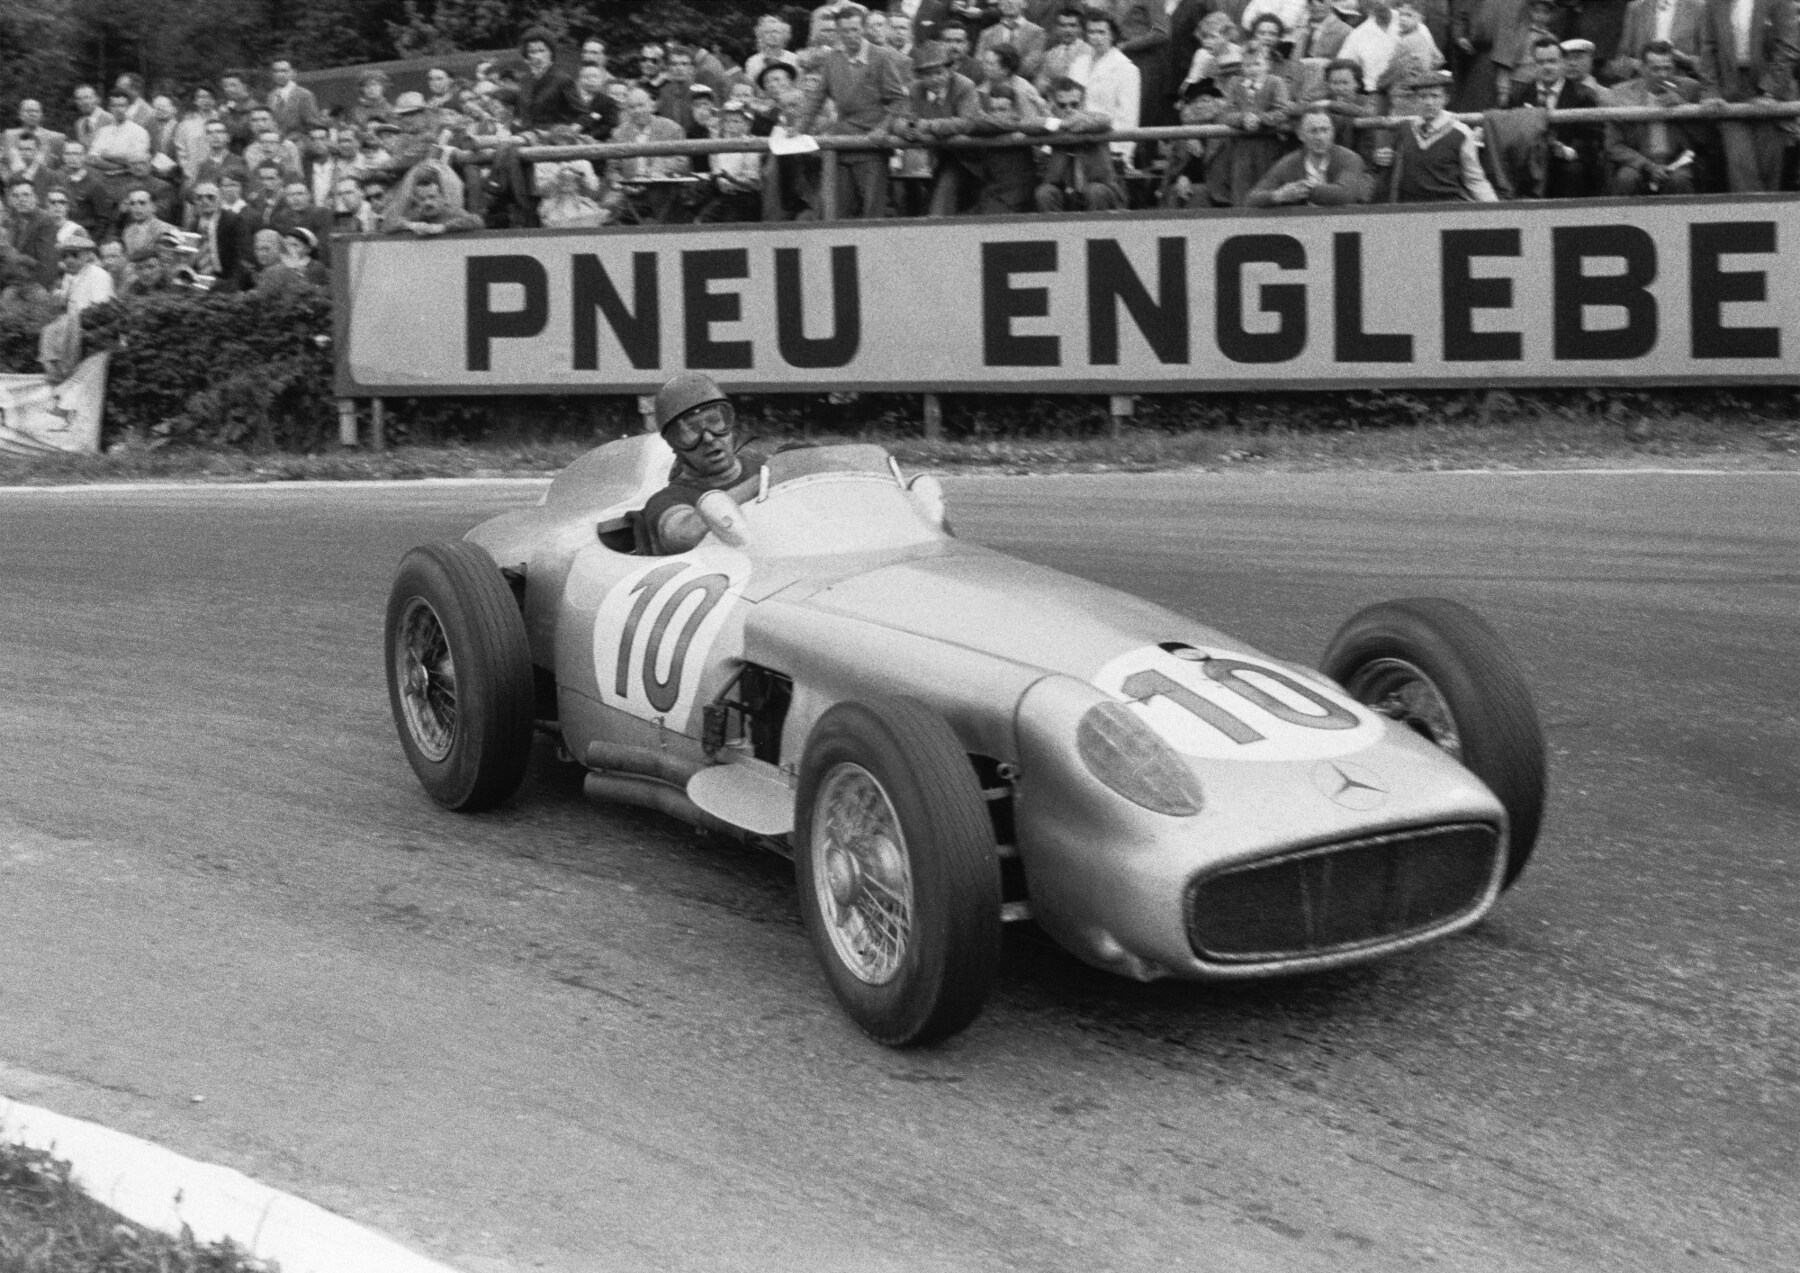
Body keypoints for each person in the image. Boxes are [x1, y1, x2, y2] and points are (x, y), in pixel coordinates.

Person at [796, 3, 911, 218]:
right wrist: (799, 128)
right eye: (845, 31)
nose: (851, 36)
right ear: (838, 32)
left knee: (873, 210)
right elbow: (817, 98)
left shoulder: (881, 57)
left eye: (855, 30)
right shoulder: (832, 59)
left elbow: (899, 100)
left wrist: (882, 129)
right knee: (836, 208)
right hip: (842, 142)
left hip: (870, 143)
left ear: (864, 29)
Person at [642, 373, 775, 556]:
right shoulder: (666, 501)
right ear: (675, 444)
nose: (708, 438)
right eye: (691, 430)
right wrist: (766, 481)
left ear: (729, 422)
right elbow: (683, 536)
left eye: (715, 422)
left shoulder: (768, 464)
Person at [1695, 0, 1798, 191]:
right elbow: (1708, 49)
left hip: (1772, 91)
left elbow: (1788, 48)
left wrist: (1769, 90)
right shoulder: (1713, 3)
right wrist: (1711, 92)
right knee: (1740, 164)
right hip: (1730, 93)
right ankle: (1750, 217)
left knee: (1769, 170)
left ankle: (1766, 217)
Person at [1385, 69, 1500, 198]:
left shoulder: (1460, 134)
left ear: (1446, 99)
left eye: (1435, 96)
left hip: (1448, 208)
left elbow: (1474, 179)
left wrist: (1496, 211)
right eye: (1422, 96)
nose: (1428, 102)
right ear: (1415, 100)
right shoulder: (1405, 129)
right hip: (1410, 209)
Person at [1606, 40, 1703, 190]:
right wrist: (1648, 166)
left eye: (1667, 68)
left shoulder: (1691, 89)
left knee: (1681, 179)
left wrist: (1684, 107)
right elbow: (1613, 146)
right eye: (1655, 69)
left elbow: (1705, 139)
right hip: (1639, 162)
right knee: (1627, 178)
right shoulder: (1620, 93)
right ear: (1643, 68)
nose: (1663, 74)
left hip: (1679, 161)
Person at [1524, 36, 1604, 195]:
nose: (1547, 67)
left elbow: (1593, 140)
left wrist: (1567, 150)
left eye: (1552, 61)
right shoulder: (1521, 95)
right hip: (1530, 161)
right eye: (1541, 62)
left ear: (1562, 63)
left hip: (1566, 164)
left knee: (1574, 171)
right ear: (1533, 65)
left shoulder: (1583, 96)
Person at [1247, 104, 1373, 202]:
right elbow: (1252, 198)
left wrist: (1302, 190)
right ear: (1301, 135)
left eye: (1324, 130)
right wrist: (1277, 196)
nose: (1320, 137)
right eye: (1313, 131)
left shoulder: (1350, 158)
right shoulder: (1290, 162)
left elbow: (1345, 194)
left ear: (1333, 133)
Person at [1034, 77, 1125, 211]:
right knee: (1044, 193)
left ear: (1083, 104)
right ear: (1053, 105)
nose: (1069, 109)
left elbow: (1106, 120)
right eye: (1062, 105)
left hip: (1101, 193)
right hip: (1066, 193)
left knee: (1095, 191)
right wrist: (1058, 125)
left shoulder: (1094, 121)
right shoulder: (1052, 125)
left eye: (1074, 105)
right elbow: (1027, 123)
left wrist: (1067, 125)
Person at [1078, 12, 1142, 160]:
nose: (1096, 37)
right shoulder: (1079, 64)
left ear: (1112, 35)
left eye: (1101, 32)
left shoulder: (1126, 68)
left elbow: (1128, 118)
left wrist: (1122, 155)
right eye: (1091, 32)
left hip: (1109, 148)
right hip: (1078, 144)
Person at [978, 0, 1050, 79]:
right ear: (999, 4)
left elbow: (1031, 65)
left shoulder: (1037, 33)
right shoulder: (987, 33)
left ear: (1025, 3)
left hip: (1020, 84)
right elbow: (979, 62)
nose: (1009, 1)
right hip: (991, 83)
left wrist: (1003, 74)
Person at [3, 101, 66, 175]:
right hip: (15, 181)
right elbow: (4, 163)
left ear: (42, 115)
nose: (32, 114)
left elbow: (63, 166)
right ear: (20, 115)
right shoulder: (9, 135)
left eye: (36, 111)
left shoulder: (56, 137)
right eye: (28, 111)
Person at [266, 59, 324, 138]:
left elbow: (313, 124)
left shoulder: (304, 95)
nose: (279, 74)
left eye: (284, 71)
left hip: (298, 141)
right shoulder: (271, 95)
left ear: (293, 73)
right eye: (276, 71)